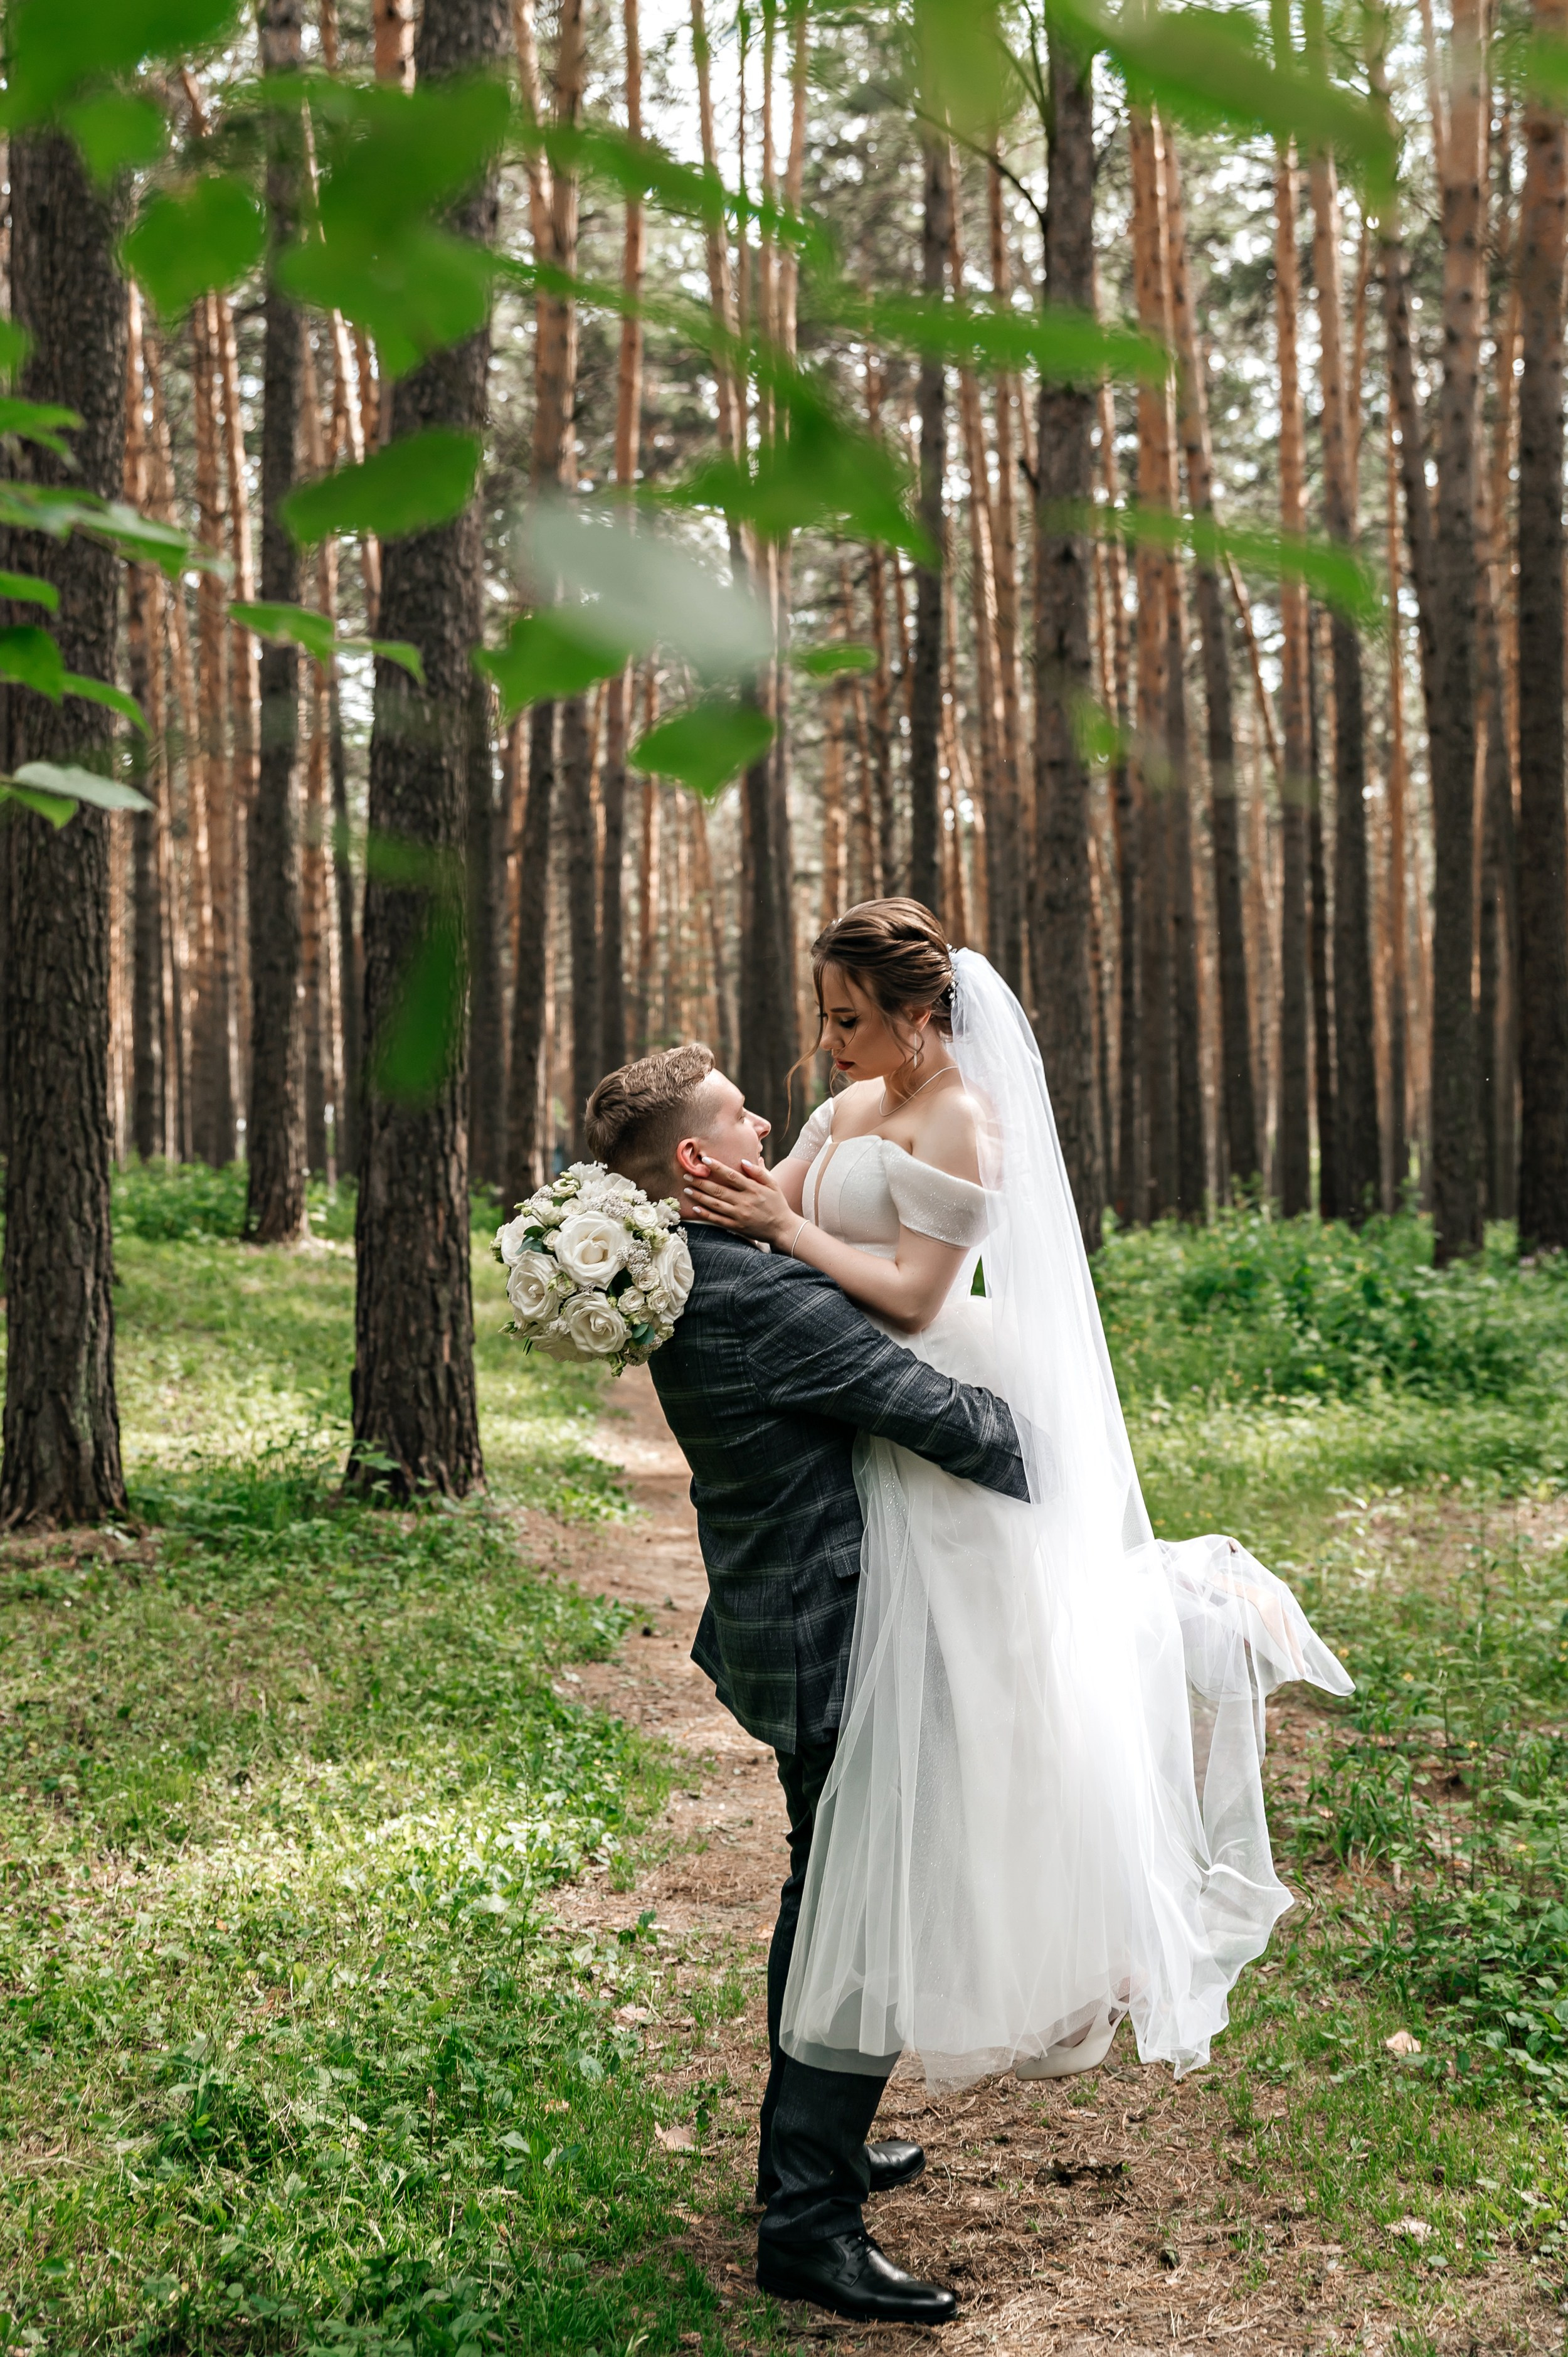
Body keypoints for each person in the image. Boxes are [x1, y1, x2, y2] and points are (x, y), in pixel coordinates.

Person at [687, 899, 1352, 2099]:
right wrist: (656, 1211)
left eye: (850, 1020)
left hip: (938, 1400)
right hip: (868, 1412)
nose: (829, 1044)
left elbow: (914, 1295)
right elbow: (758, 1210)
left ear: (921, 1014)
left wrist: (785, 1220)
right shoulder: (847, 1107)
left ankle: (1189, 1639)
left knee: (986, 1707)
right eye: (825, 1017)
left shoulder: (963, 1120)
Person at [583, 1041, 1032, 2328]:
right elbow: (955, 1426)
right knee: (863, 1912)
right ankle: (807, 2223)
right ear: (694, 1159)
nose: (767, 1115)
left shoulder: (698, 1269)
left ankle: (811, 2150)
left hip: (789, 1619)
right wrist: (1071, 1446)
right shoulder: (751, 1295)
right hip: (836, 1636)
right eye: (740, 1112)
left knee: (822, 1890)